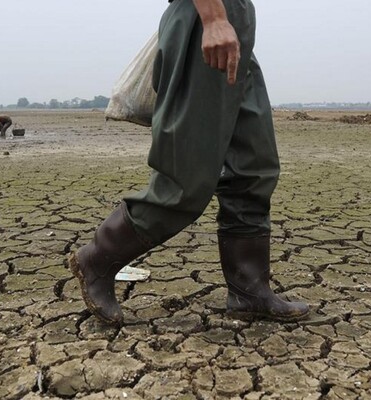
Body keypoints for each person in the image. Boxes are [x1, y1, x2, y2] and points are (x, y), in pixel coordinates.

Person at [69, 0, 309, 326]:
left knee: (253, 167)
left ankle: (249, 291)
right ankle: (98, 259)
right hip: (206, 20)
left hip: (235, 25)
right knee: (187, 178)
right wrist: (214, 18)